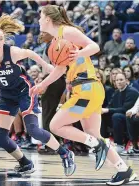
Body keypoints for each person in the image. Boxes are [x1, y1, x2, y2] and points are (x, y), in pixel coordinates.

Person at [30, 5, 137, 185]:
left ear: (48, 18)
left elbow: (94, 46)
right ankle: (123, 170)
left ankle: (96, 145)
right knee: (93, 133)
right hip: (88, 90)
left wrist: (79, 53)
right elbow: (60, 68)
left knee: (55, 125)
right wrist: (42, 84)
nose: (38, 20)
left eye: (40, 17)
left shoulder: (67, 31)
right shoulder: (58, 40)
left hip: (86, 90)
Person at [0, 14, 75, 176]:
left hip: (25, 91)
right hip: (6, 95)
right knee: (0, 136)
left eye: (0, 39)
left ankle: (64, 153)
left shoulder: (12, 52)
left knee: (33, 130)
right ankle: (25, 163)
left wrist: (46, 66)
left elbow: (31, 54)